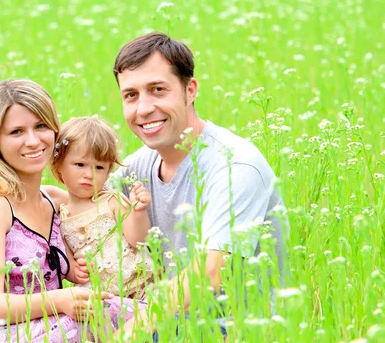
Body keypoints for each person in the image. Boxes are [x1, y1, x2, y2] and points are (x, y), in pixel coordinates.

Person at [0, 80, 143, 343]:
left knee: (148, 312)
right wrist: (61, 299)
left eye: (41, 126)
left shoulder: (54, 200)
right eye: (16, 132)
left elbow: (104, 195)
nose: (32, 141)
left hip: (44, 323)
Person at [108, 32, 286, 335]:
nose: (144, 108)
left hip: (233, 331)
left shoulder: (234, 165)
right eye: (131, 95)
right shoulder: (138, 166)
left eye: (158, 90)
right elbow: (85, 200)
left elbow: (209, 273)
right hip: (168, 325)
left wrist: (126, 335)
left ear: (190, 90)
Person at [49, 116, 154, 299]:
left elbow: (138, 239)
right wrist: (73, 271)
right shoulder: (60, 213)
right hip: (99, 292)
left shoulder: (110, 200)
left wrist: (138, 210)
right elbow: (66, 255)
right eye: (80, 165)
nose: (89, 175)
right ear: (58, 166)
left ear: (108, 171)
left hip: (136, 284)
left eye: (99, 167)